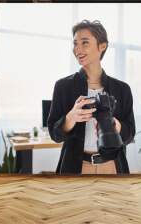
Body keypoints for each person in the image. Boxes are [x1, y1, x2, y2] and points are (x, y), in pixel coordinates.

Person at [47, 20, 135, 175]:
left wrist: (116, 126)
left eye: (85, 43)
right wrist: (70, 118)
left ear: (102, 46)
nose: (78, 49)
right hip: (77, 167)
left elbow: (130, 134)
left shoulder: (122, 89)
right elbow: (55, 135)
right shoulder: (63, 86)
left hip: (113, 166)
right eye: (75, 44)